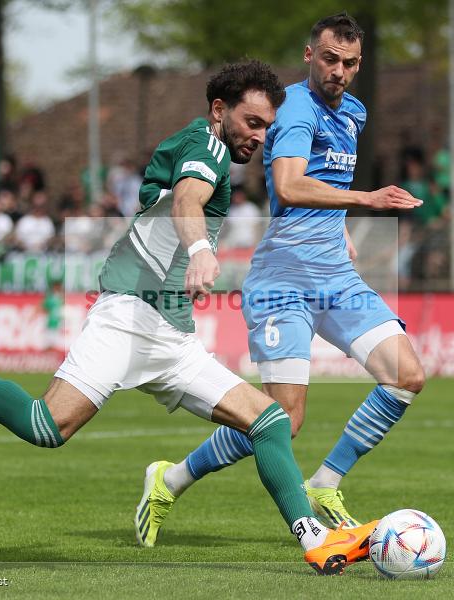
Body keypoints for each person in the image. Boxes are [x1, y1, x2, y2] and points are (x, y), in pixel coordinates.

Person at [0, 60, 371, 576]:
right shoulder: (208, 148)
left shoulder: (204, 144)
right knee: (46, 426)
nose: (259, 136)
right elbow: (189, 198)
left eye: (267, 127)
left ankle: (314, 539)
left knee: (270, 421)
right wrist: (198, 248)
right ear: (220, 110)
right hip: (127, 316)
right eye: (252, 122)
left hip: (171, 335)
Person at [141, 13, 423, 542]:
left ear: (359, 64)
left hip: (335, 276)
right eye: (330, 59)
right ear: (309, 55)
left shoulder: (354, 112)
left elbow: (319, 186)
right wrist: (366, 199)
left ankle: (326, 480)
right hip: (283, 281)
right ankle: (171, 478)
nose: (339, 71)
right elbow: (290, 186)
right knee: (282, 421)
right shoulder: (293, 110)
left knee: (406, 376)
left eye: (350, 62)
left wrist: (337, 227)